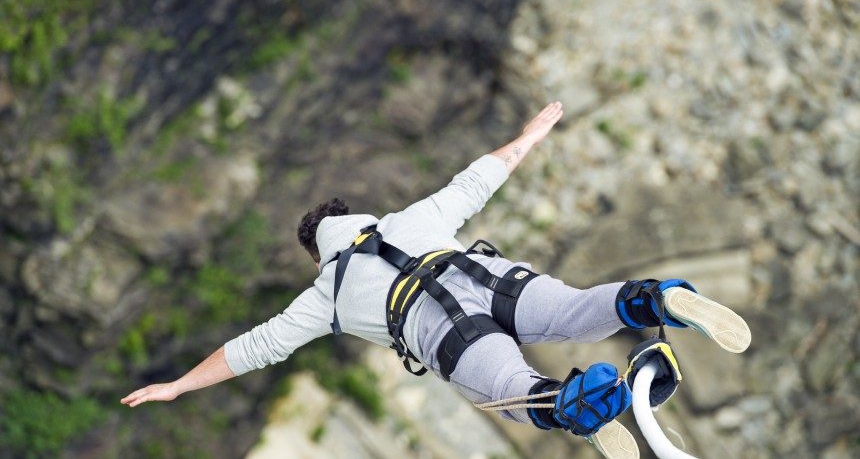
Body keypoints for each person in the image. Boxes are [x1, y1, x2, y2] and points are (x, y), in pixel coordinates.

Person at [122, 102, 750, 457]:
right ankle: (653, 299)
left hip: (446, 331)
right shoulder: (411, 217)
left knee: (514, 388)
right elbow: (477, 179)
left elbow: (253, 348)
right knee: (578, 310)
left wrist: (178, 385)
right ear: (351, 217)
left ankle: (580, 405)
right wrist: (530, 136)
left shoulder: (325, 297)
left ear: (318, 252)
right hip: (494, 278)